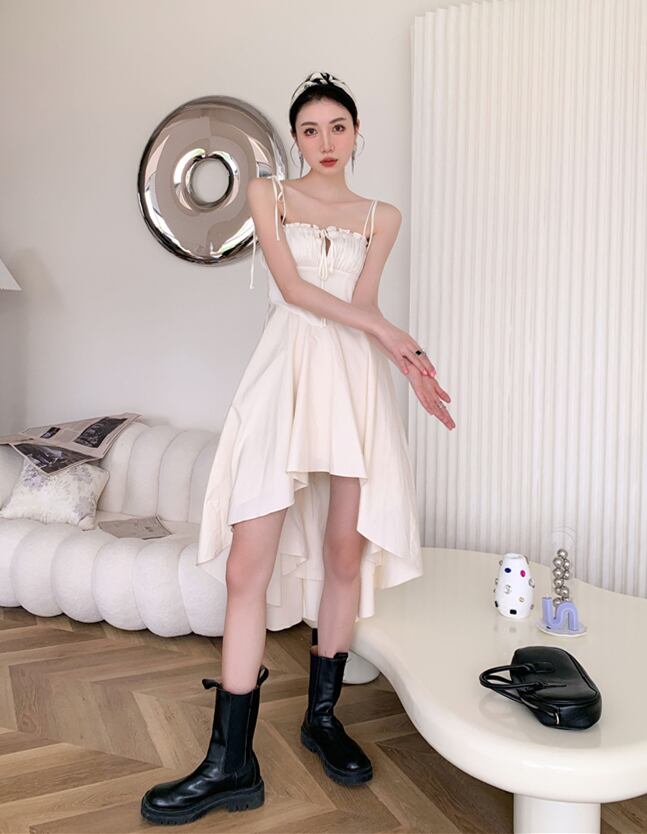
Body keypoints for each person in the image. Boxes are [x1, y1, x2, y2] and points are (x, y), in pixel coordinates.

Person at [140, 70, 455, 826]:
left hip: (351, 379)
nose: (324, 142)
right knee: (246, 565)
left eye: (337, 127)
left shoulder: (382, 216)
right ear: (295, 138)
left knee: (344, 554)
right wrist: (390, 333)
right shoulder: (267, 194)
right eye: (310, 130)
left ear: (356, 133)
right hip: (283, 376)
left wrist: (401, 357)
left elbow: (360, 303)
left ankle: (321, 719)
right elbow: (293, 289)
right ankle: (230, 763)